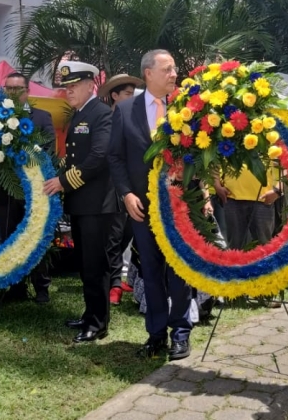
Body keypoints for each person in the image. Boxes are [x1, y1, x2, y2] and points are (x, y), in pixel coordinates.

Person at [109, 49, 201, 361]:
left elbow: (198, 157)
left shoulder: (188, 109)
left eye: (175, 69)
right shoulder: (125, 110)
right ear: (148, 73)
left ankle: (181, 332)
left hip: (180, 207)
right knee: (150, 271)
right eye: (168, 69)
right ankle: (156, 334)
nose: (175, 74)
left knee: (178, 270)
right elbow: (115, 157)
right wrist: (126, 193)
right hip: (142, 207)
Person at [44, 61, 117, 343]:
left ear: (91, 85)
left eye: (73, 86)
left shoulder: (101, 114)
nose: (68, 91)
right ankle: (90, 315)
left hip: (97, 204)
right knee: (85, 264)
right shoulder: (80, 114)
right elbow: (73, 157)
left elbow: (98, 158)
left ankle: (98, 323)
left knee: (96, 265)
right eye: (66, 87)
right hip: (81, 202)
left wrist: (63, 182)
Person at [0, 71, 55, 304]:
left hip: (35, 191)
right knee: (9, 237)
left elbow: (50, 151)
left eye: (18, 89)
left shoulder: (42, 117)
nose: (13, 93)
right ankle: (15, 286)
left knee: (37, 237)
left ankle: (41, 286)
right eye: (9, 88)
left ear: (27, 91)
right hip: (6, 190)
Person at [98, 73, 144, 305]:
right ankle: (114, 284)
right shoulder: (107, 118)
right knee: (114, 237)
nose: (131, 98)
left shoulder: (136, 117)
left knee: (129, 234)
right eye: (127, 93)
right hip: (111, 190)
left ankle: (121, 278)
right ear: (114, 95)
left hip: (133, 189)